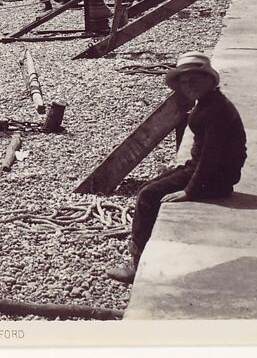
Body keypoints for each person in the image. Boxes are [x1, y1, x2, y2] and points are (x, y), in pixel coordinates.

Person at [106, 52, 247, 284]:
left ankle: (137, 262)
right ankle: (144, 248)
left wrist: (190, 191)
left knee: (147, 195)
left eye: (195, 79)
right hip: (209, 170)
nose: (189, 85)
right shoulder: (209, 102)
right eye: (183, 81)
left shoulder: (216, 111)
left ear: (210, 80)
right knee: (152, 183)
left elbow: (210, 157)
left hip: (217, 178)